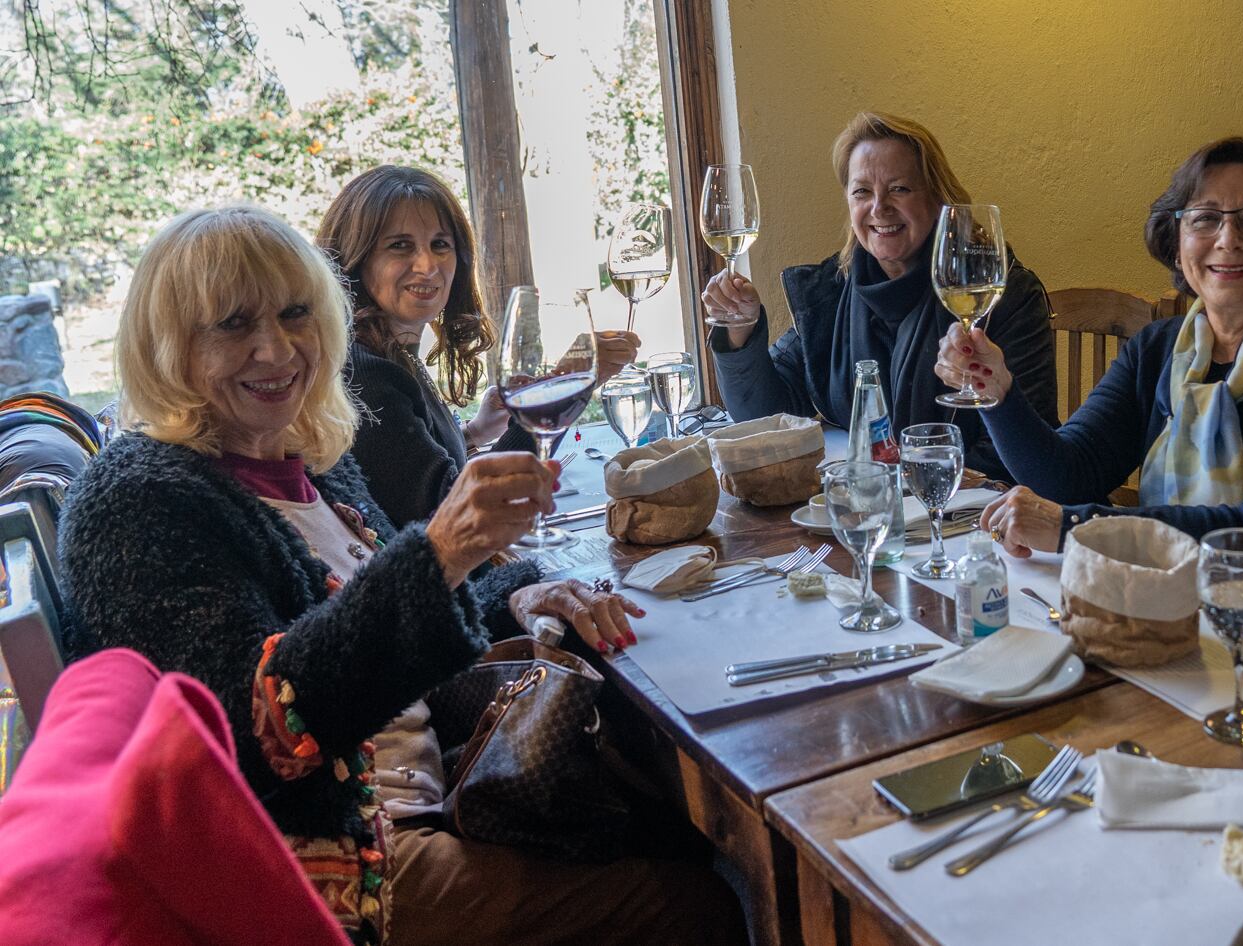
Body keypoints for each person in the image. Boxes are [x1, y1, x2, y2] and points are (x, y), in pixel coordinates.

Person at [58, 206, 746, 946]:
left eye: (296, 313)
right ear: (167, 346)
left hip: (434, 786)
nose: (276, 348)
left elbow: (400, 610)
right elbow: (259, 728)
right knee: (696, 904)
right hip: (338, 872)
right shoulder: (137, 500)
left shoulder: (304, 456)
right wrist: (442, 552)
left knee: (670, 823)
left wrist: (518, 591)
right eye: (232, 324)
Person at [939, 136, 1243, 614]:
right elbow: (1068, 474)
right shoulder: (1158, 348)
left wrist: (1075, 529)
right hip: (1182, 605)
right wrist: (994, 391)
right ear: (1178, 245)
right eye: (1205, 218)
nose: (1229, 239)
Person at [703, 111, 1057, 477]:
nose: (879, 207)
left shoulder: (1004, 296)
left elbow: (1021, 456)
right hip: (867, 504)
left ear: (938, 198)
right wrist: (741, 332)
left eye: (899, 188)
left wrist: (897, 481)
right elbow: (769, 416)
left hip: (969, 514)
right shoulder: (835, 288)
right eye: (862, 192)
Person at [318, 165, 641, 530]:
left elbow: (410, 475)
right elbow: (460, 519)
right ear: (354, 259)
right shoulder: (365, 374)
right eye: (400, 246)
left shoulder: (388, 349)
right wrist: (566, 386)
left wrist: (472, 434)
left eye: (440, 244)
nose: (427, 265)